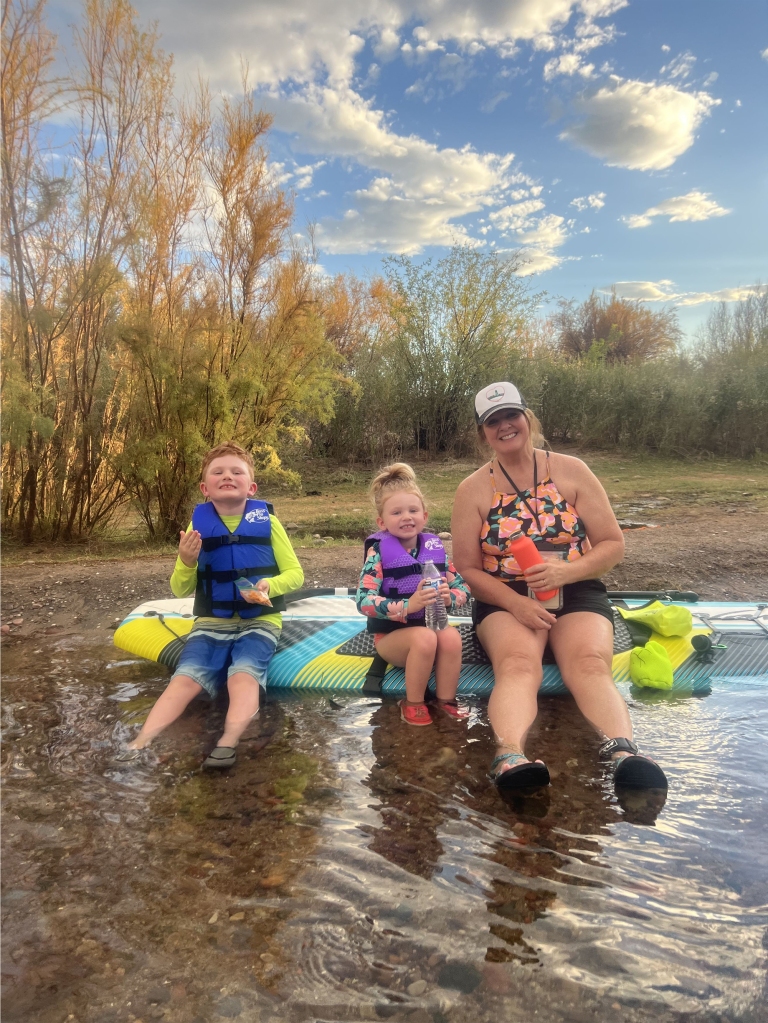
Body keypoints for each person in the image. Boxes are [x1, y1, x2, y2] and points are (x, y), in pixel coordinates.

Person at [451, 382, 668, 794]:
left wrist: (566, 573)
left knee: (588, 664)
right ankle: (509, 756)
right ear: (483, 433)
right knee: (517, 665)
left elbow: (612, 545)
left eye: (511, 416)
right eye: (492, 422)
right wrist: (515, 603)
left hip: (577, 587)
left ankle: (624, 752)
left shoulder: (572, 471)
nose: (504, 426)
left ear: (527, 418)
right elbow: (467, 568)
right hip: (504, 597)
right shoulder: (472, 490)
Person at [118, 442, 303, 768]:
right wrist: (186, 560)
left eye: (236, 471)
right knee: (185, 678)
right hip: (211, 623)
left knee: (242, 677)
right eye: (218, 472)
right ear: (205, 488)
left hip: (260, 620)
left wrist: (270, 585)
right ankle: (139, 742)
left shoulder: (269, 523)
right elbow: (180, 588)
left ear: (252, 486)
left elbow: (295, 574)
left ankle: (228, 743)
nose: (227, 476)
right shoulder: (197, 527)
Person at [356, 463, 470, 726]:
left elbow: (463, 588)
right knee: (424, 638)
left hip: (431, 633)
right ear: (382, 522)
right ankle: (414, 702)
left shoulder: (434, 549)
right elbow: (363, 601)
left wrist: (448, 598)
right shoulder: (379, 553)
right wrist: (408, 605)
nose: (406, 517)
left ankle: (445, 701)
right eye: (397, 512)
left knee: (450, 637)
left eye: (413, 510)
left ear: (425, 516)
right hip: (393, 640)